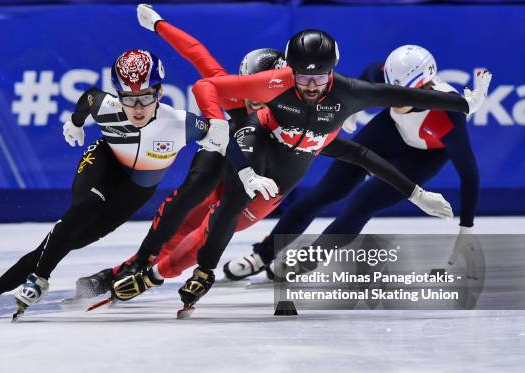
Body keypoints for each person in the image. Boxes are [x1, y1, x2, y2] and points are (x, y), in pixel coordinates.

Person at [110, 25, 491, 312]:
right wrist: (160, 24)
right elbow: (203, 67)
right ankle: (150, 262)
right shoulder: (270, 97)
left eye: (317, 80)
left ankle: (163, 272)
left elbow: (372, 141)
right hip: (252, 161)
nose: (308, 88)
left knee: (340, 203)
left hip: (283, 173)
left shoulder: (326, 117)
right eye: (255, 97)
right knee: (202, 195)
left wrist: (423, 196)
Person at [0, 48, 230, 318]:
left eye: (146, 98)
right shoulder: (106, 106)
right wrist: (75, 123)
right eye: (128, 99)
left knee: (69, 240)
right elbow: (89, 99)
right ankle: (39, 279)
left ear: (160, 92)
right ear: (118, 95)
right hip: (105, 162)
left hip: (135, 190)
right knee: (85, 207)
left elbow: (225, 141)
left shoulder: (183, 123)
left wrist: (243, 168)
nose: (137, 108)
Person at [74, 4, 284, 299]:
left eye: (267, 95)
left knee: (205, 231)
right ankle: (134, 265)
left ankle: (148, 275)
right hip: (230, 157)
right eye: (252, 92)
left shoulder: (295, 113)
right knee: (191, 195)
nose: (257, 102)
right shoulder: (234, 91)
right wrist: (159, 24)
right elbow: (197, 53)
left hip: (263, 179)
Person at [224, 45, 481, 280]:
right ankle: (262, 254)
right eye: (393, 91)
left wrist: (466, 231)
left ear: (424, 88)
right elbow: (366, 77)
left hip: (424, 156)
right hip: (389, 131)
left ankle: (307, 260)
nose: (394, 100)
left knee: (360, 204)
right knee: (323, 193)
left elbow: (469, 174)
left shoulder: (448, 116)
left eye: (403, 96)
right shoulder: (386, 73)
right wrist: (352, 108)